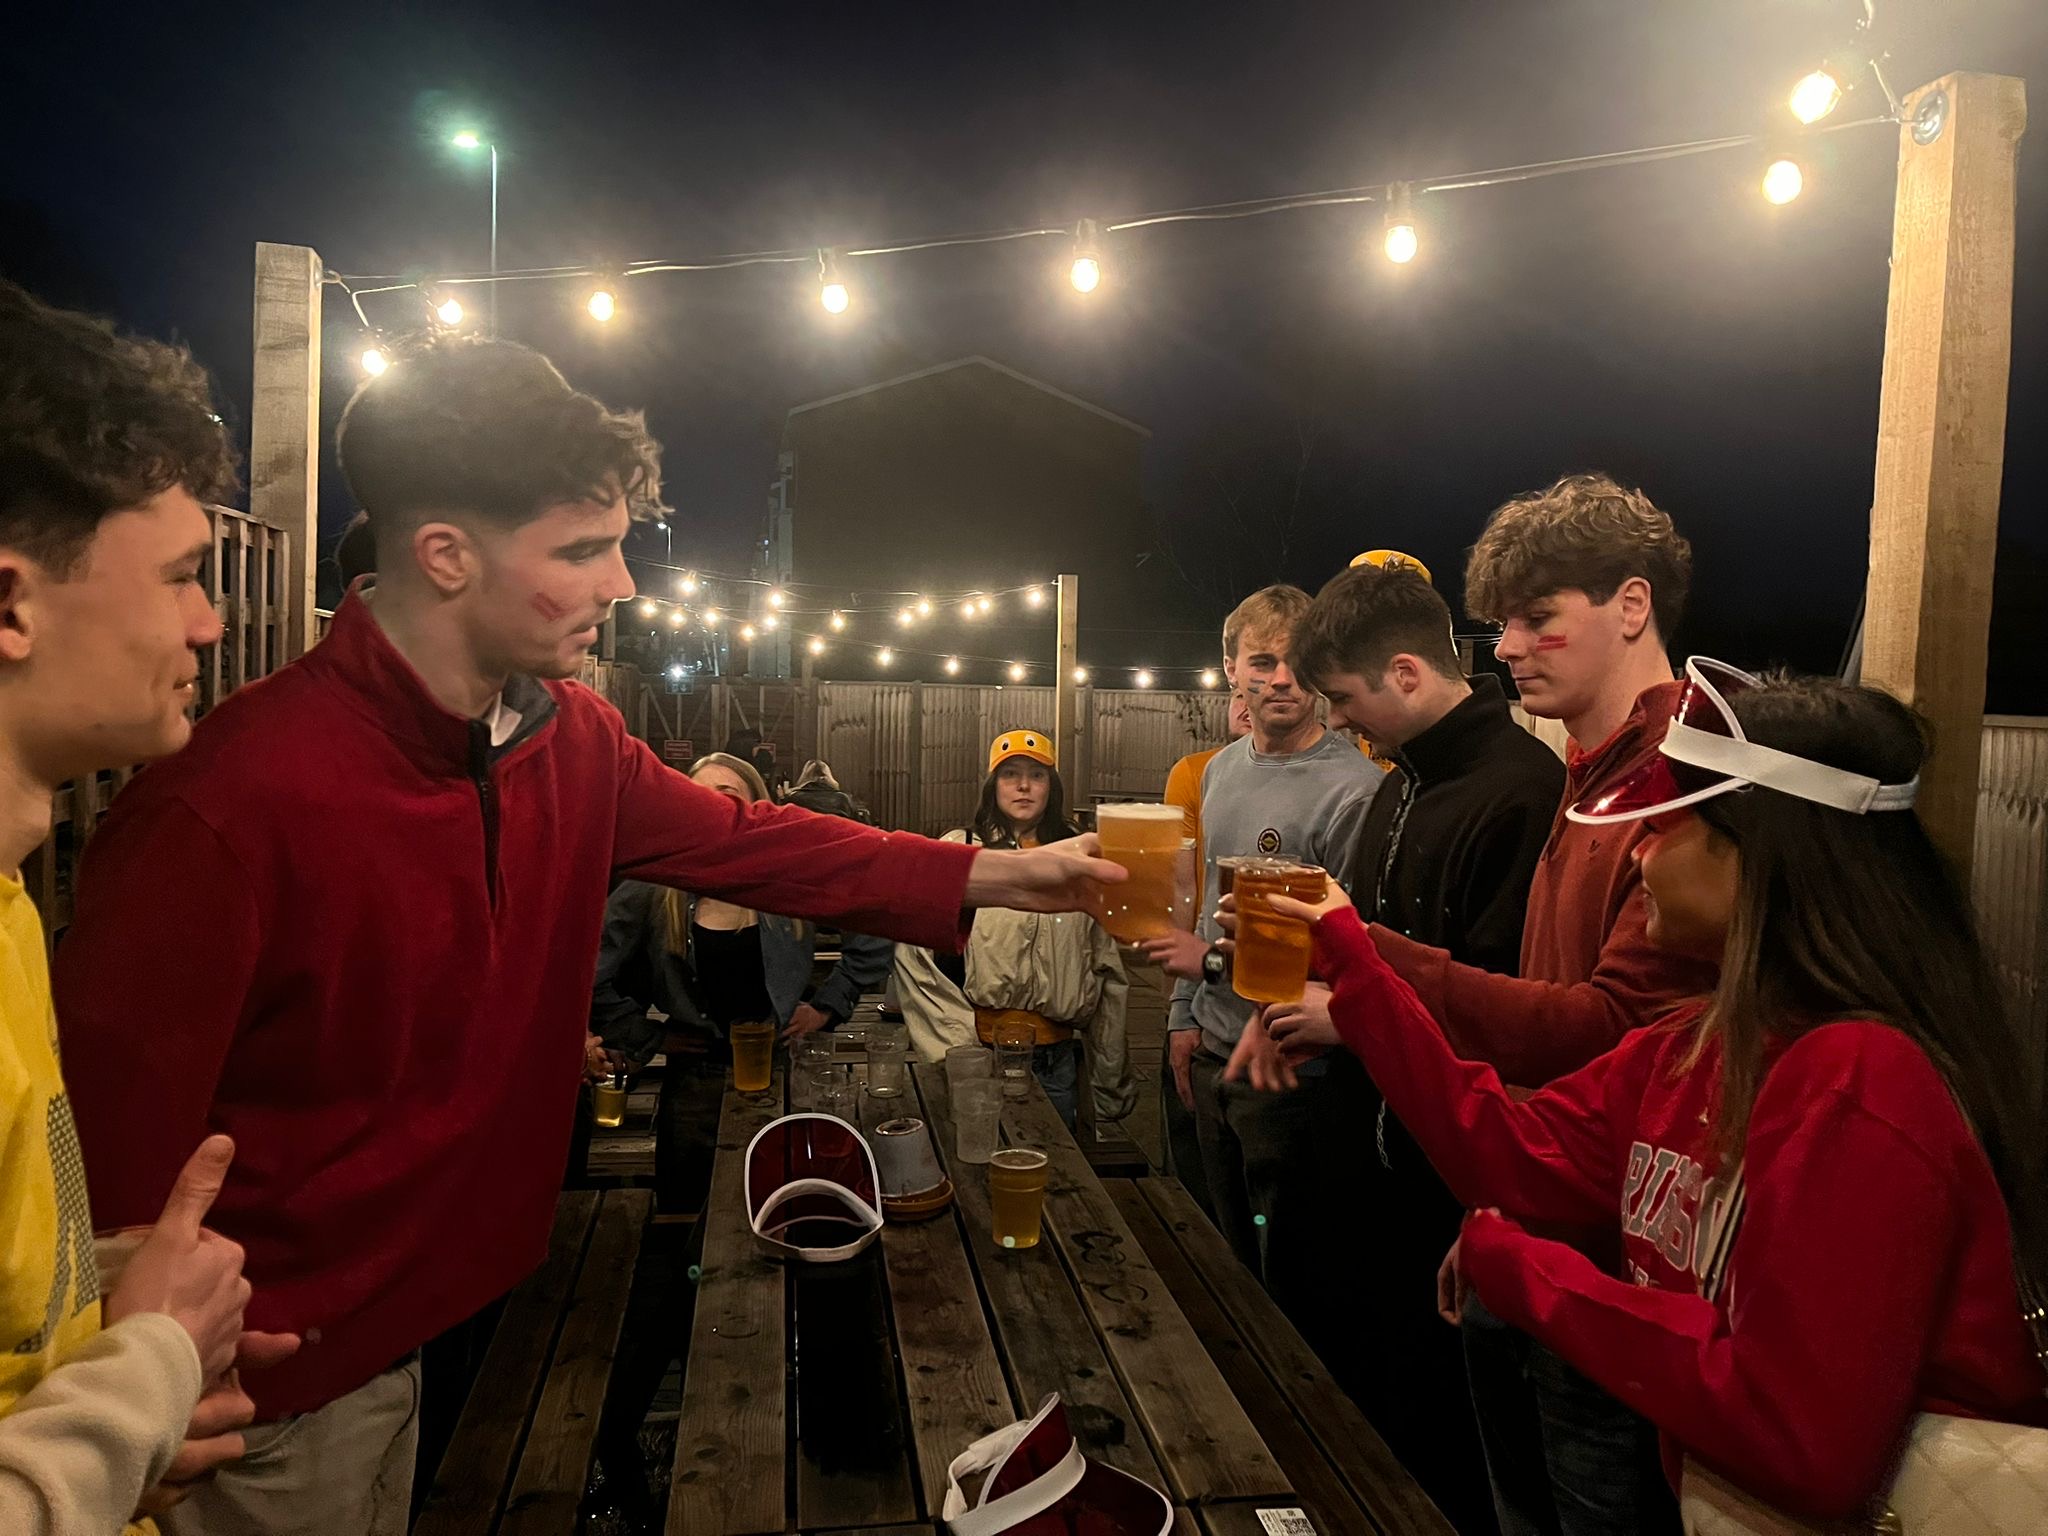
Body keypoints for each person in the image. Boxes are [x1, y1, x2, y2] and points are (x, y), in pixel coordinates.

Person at [52, 333, 1122, 1535]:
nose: (623, 585)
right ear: (445, 555)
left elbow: (762, 843)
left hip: (475, 1302)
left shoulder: (569, 737)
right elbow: (97, 1180)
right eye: (580, 550)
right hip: (280, 1389)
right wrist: (144, 1382)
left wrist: (999, 872)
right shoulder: (223, 805)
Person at [1227, 666, 2048, 1527]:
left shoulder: (1861, 1079)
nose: (1642, 851)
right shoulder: (1699, 1044)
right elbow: (1505, 1149)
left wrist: (1532, 1274)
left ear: (1763, 856)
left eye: (1667, 825)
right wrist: (1357, 966)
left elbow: (1796, 1436)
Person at [1326, 475, 1715, 1536]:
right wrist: (1495, 1214)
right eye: (1501, 624)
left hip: (1615, 1273)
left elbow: (1613, 1033)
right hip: (1532, 1222)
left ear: (1630, 606)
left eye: (1537, 618)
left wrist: (1369, 956)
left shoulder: (1686, 784)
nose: (1505, 648)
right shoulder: (1585, 773)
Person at [0, 281, 296, 1533]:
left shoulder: (13, 910)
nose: (211, 621)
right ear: (11, 605)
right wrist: (151, 1371)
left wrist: (107, 1318)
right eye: (179, 575)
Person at [1273, 560, 1565, 1534]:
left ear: (1404, 674)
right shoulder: (1397, 786)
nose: (1339, 722)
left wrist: (1346, 1014)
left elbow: (1502, 1011)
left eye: (1344, 699)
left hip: (1451, 1185)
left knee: (1438, 1448)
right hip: (1367, 1160)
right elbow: (1365, 945)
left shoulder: (1522, 792)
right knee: (1357, 1407)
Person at [1145, 585, 1379, 1349]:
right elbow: (1204, 908)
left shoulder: (1358, 789)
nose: (1281, 679)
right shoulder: (1219, 771)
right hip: (1213, 1054)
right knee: (1224, 1261)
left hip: (1294, 1074)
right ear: (1230, 670)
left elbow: (1357, 952)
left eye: (1297, 662)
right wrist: (1182, 1017)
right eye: (1262, 661)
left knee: (1296, 1283)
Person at [590, 752, 893, 1209]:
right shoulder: (655, 883)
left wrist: (827, 1006)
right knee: (686, 1206)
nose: (711, 805)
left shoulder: (787, 875)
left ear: (755, 807)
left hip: (783, 1068)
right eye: (697, 795)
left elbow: (873, 921)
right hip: (695, 1082)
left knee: (787, 1199)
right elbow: (587, 971)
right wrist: (647, 1035)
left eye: (727, 794)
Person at [896, 731, 1134, 1130]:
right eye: (1010, 774)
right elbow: (913, 955)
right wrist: (956, 1046)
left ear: (1051, 787)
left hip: (1056, 1059)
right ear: (993, 786)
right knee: (977, 1156)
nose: (1023, 785)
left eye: (1036, 775)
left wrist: (1111, 1079)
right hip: (980, 1054)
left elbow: (1106, 968)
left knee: (1059, 1163)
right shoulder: (961, 852)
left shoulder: (1079, 860)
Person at [1155, 687, 1251, 1211]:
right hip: (1204, 986)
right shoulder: (1199, 772)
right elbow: (1186, 893)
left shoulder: (1349, 778)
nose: (1248, 701)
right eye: (1237, 690)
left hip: (1284, 1017)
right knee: (1195, 1172)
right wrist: (1181, 1007)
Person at [784, 758, 870, 823]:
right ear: (829, 777)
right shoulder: (842, 799)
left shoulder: (794, 798)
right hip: (837, 840)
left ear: (805, 777)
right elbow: (858, 826)